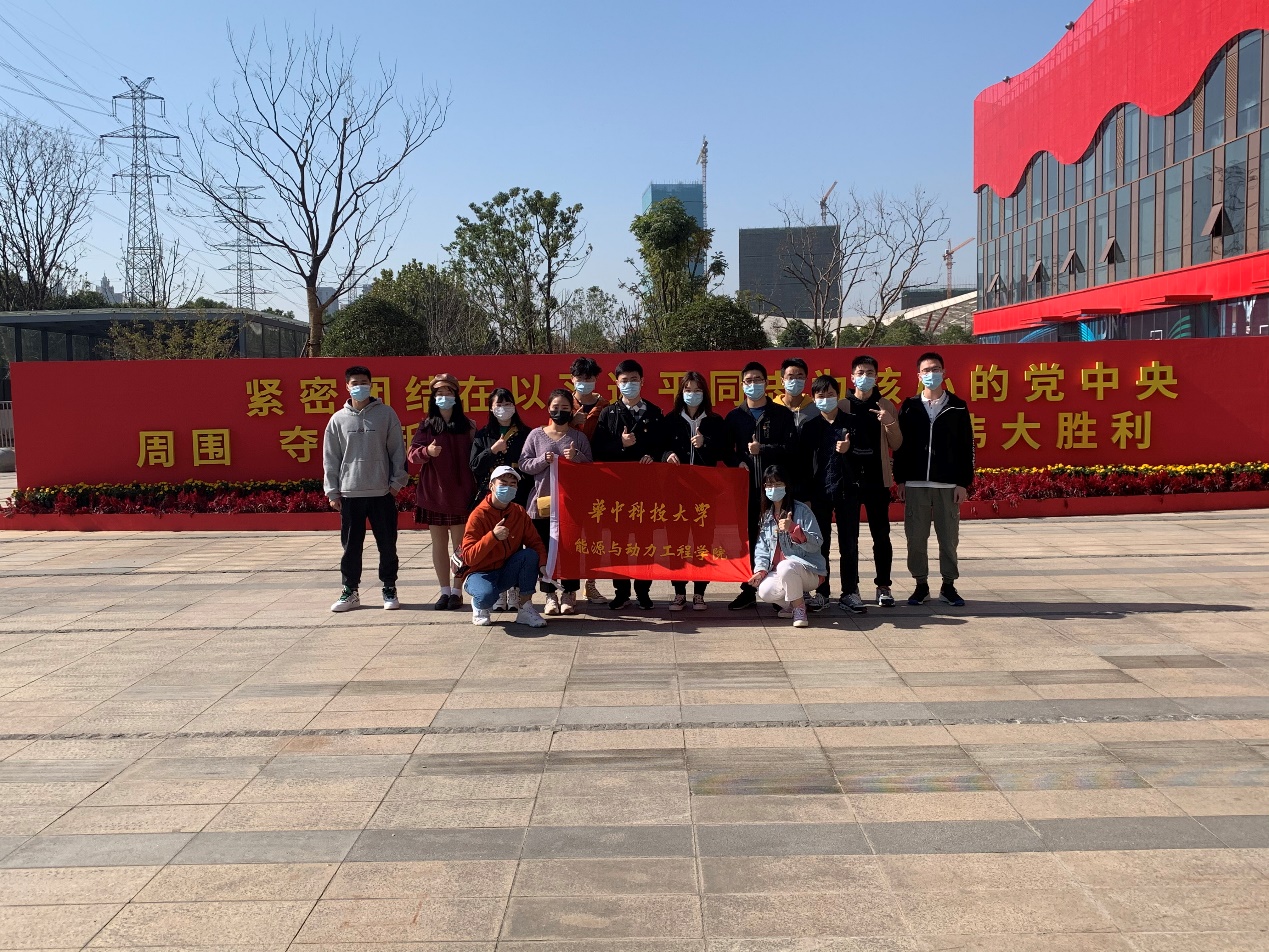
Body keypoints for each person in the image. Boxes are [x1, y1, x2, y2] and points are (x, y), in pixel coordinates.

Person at [323, 365, 408, 613]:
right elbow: (331, 458)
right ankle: (350, 591)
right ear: (346, 387)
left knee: (387, 545)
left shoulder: (386, 414)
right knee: (351, 547)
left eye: (364, 382)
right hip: (350, 494)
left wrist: (396, 484)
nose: (360, 386)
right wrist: (332, 491)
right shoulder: (338, 420)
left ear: (371, 385)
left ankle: (389, 587)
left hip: (381, 493)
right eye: (355, 383)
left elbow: (397, 451)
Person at [893, 351, 975, 607]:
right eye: (926, 370)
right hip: (916, 483)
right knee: (916, 539)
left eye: (936, 369)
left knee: (948, 539)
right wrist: (901, 479)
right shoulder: (909, 406)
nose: (931, 374)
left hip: (947, 484)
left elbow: (966, 446)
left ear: (944, 373)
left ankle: (948, 585)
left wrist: (963, 482)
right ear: (919, 376)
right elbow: (900, 447)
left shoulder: (957, 406)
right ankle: (921, 585)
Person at [723, 361, 797, 611]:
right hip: (747, 491)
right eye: (748, 381)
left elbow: (791, 449)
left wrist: (762, 449)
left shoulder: (781, 414)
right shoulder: (735, 417)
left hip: (776, 493)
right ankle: (748, 590)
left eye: (758, 380)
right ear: (742, 384)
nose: (753, 384)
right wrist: (737, 462)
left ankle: (778, 591)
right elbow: (725, 451)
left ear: (766, 383)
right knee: (750, 540)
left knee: (778, 539)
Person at [592, 358, 664, 610]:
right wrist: (620, 445)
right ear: (616, 383)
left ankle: (643, 592)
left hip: (646, 489)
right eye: (624, 380)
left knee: (645, 542)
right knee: (618, 542)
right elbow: (597, 450)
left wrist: (653, 456)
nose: (629, 384)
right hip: (617, 490)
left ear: (642, 381)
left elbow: (663, 446)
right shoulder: (608, 413)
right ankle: (621, 592)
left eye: (634, 380)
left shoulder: (655, 413)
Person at [520, 388, 594, 615]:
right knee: (544, 551)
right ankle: (550, 594)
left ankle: (569, 593)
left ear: (571, 411)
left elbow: (591, 469)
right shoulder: (536, 435)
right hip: (542, 504)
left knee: (569, 549)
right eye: (555, 407)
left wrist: (577, 458)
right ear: (548, 409)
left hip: (570, 506)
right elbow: (524, 464)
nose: (560, 411)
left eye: (565, 408)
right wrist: (542, 460)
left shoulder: (578, 437)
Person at [408, 373, 476, 611]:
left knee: (460, 545)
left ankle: (457, 591)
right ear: (433, 397)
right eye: (439, 392)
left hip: (461, 494)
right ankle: (444, 590)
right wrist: (427, 452)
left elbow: (476, 457)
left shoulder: (468, 426)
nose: (444, 396)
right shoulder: (426, 425)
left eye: (448, 392)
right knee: (438, 544)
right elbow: (412, 455)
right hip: (434, 494)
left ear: (456, 396)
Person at [840, 355, 902, 608]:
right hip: (849, 481)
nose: (864, 377)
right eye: (860, 372)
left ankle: (883, 586)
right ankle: (851, 588)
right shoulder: (842, 405)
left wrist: (889, 423)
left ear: (876, 377)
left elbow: (897, 443)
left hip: (877, 480)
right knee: (849, 538)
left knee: (881, 536)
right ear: (852, 377)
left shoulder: (885, 404)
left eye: (869, 373)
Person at [661, 370, 727, 611]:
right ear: (681, 393)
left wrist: (705, 443)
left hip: (704, 493)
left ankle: (700, 592)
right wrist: (667, 454)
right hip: (676, 492)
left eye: (697, 390)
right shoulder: (670, 420)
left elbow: (724, 451)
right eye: (688, 390)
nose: (692, 394)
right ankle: (679, 592)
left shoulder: (715, 421)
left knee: (703, 542)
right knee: (676, 542)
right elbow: (659, 447)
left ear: (704, 394)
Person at [798, 374, 863, 612]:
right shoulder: (810, 427)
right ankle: (822, 593)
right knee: (819, 545)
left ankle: (850, 592)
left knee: (849, 545)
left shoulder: (852, 423)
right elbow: (803, 465)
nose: (826, 399)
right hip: (819, 494)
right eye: (821, 395)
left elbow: (867, 455)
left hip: (847, 492)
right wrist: (805, 496)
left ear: (838, 395)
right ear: (814, 399)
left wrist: (849, 449)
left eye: (830, 394)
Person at [459, 466, 548, 628]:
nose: (508, 488)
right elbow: (469, 557)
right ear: (491, 486)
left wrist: (542, 564)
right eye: (503, 483)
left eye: (512, 484)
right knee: (487, 596)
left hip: (506, 570)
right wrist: (492, 536)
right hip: (480, 573)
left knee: (530, 555)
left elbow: (535, 542)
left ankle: (525, 609)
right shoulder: (478, 515)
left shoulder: (519, 512)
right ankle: (479, 605)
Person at [469, 388, 533, 613]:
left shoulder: (526, 433)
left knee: (516, 542)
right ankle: (496, 591)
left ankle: (514, 589)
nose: (504, 409)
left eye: (508, 404)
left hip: (519, 495)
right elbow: (474, 466)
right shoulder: (483, 434)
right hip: (491, 499)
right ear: (491, 408)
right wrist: (492, 450)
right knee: (492, 540)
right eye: (499, 404)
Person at [749, 464, 825, 629]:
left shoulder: (802, 510)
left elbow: (817, 543)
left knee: (785, 566)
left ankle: (799, 610)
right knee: (764, 591)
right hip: (781, 572)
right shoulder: (766, 515)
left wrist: (794, 529)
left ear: (786, 486)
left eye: (778, 484)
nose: (773, 488)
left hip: (809, 571)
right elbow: (762, 548)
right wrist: (761, 570)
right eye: (769, 485)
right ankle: (792, 603)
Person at [568, 357, 609, 606]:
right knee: (570, 533)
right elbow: (550, 434)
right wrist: (569, 423)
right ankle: (569, 588)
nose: (585, 382)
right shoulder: (564, 402)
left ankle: (591, 585)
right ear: (572, 379)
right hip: (569, 478)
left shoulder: (605, 406)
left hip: (597, 478)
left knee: (594, 534)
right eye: (581, 378)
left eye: (590, 378)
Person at [773, 356, 818, 429]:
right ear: (782, 381)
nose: (795, 381)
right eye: (790, 377)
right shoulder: (772, 409)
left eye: (799, 377)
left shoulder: (815, 410)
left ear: (805, 380)